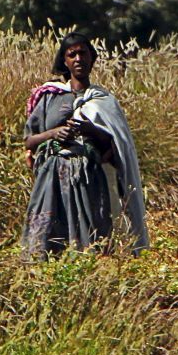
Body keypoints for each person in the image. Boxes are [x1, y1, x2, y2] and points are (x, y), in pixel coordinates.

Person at [22, 32, 149, 257]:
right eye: (72, 54)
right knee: (45, 238)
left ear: (92, 57)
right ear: (65, 61)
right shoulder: (50, 97)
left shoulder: (104, 101)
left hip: (89, 178)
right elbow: (29, 140)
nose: (78, 58)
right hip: (52, 177)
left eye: (83, 53)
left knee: (91, 239)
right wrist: (53, 133)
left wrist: (92, 131)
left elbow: (117, 145)